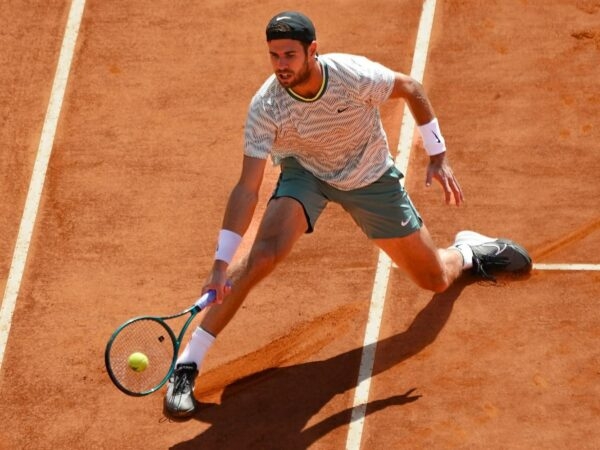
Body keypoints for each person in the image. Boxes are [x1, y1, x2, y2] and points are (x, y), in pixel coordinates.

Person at [164, 11, 532, 418]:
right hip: (307, 173)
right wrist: (219, 265)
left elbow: (410, 87)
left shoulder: (351, 75)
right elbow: (247, 188)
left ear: (312, 51)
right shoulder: (266, 106)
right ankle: (188, 364)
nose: (281, 65)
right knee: (262, 256)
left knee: (435, 280)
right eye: (274, 56)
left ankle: (467, 252)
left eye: (289, 55)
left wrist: (438, 153)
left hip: (369, 176)